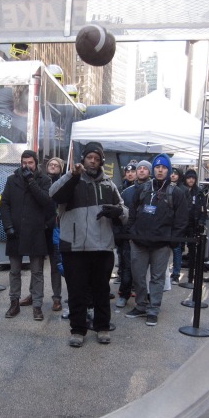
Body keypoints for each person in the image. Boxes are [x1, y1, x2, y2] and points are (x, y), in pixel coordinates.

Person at [50, 142, 128, 347]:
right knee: (76, 291)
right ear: (83, 159)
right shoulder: (71, 180)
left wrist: (119, 212)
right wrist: (72, 175)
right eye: (89, 157)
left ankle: (102, 327)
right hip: (74, 248)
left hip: (102, 248)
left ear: (101, 161)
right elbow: (54, 194)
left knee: (102, 290)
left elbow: (125, 211)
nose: (93, 161)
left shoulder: (109, 184)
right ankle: (77, 330)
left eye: (97, 158)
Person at [125, 153, 188, 327]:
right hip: (139, 242)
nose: (160, 170)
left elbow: (182, 220)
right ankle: (140, 305)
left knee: (157, 278)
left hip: (161, 244)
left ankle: (153, 310)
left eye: (164, 167)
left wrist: (172, 241)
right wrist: (131, 233)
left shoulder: (176, 193)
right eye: (158, 167)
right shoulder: (143, 188)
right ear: (154, 169)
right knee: (138, 276)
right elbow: (132, 211)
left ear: (168, 170)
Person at [0, 150, 54, 320]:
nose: (27, 166)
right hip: (15, 231)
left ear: (36, 163)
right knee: (14, 271)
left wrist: (31, 182)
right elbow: (5, 204)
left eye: (30, 163)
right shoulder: (12, 179)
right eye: (24, 163)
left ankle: (37, 305)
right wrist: (7, 225)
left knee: (37, 272)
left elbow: (46, 201)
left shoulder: (44, 180)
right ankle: (14, 303)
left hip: (35, 232)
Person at [115, 159, 152, 309]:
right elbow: (120, 213)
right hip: (128, 235)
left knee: (145, 270)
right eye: (139, 168)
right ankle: (124, 294)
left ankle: (145, 297)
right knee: (126, 267)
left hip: (148, 236)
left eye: (145, 168)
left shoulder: (154, 191)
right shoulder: (126, 192)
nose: (141, 170)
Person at [45, 157, 66, 314]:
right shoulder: (42, 181)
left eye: (56, 165)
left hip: (57, 228)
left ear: (61, 168)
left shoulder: (64, 182)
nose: (53, 166)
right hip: (42, 229)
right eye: (50, 164)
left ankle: (57, 298)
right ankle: (34, 294)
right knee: (36, 266)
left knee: (56, 265)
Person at [183, 169, 208, 284]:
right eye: (189, 177)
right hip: (182, 224)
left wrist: (201, 221)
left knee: (193, 251)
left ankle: (191, 277)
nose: (191, 180)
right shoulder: (181, 190)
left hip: (194, 225)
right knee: (177, 249)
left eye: (193, 178)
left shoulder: (199, 192)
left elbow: (203, 210)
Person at [170, 167, 188, 284]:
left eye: (175, 174)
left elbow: (185, 209)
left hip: (177, 225)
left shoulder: (183, 190)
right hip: (166, 224)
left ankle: (176, 274)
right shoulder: (164, 186)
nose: (173, 175)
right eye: (171, 173)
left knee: (177, 250)